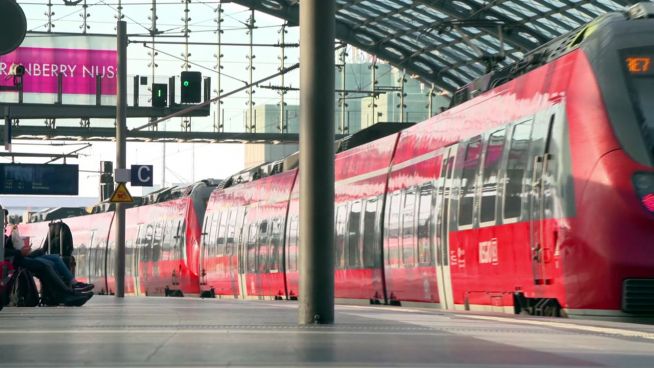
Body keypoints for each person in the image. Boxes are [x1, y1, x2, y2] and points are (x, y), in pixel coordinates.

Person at [3, 210, 93, 306]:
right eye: (3, 218)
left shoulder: (2, 233)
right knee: (45, 265)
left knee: (53, 259)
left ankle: (70, 290)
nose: (5, 222)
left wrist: (17, 246)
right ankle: (66, 295)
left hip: (16, 258)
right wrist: (19, 252)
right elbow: (3, 251)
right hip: (12, 261)